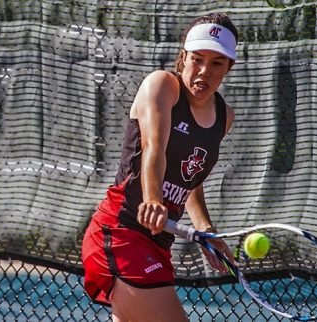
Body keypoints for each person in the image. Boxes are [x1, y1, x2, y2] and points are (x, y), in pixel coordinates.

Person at [82, 12, 238, 322]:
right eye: (197, 59)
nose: (204, 71)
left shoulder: (224, 117)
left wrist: (207, 231)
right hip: (121, 233)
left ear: (229, 67)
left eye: (217, 63)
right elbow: (154, 147)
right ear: (183, 57)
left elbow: (189, 179)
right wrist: (152, 199)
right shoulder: (162, 85)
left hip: (157, 246)